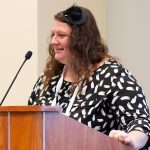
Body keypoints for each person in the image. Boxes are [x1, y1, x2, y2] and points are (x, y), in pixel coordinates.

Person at [28, 5, 150, 150]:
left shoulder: (112, 76)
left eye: (61, 35)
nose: (53, 41)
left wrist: (132, 140)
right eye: (53, 34)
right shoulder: (48, 79)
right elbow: (28, 124)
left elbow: (140, 122)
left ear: (82, 40)